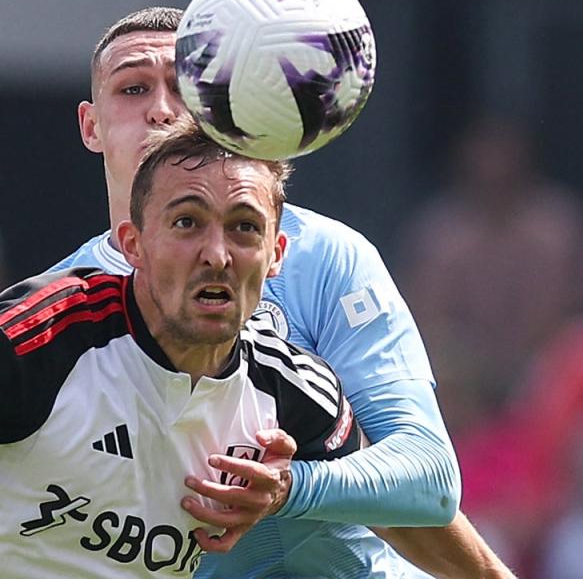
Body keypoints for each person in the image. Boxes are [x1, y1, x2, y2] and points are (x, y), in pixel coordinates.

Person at [52, 6, 514, 578]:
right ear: (91, 125)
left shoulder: (326, 255)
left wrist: (291, 488)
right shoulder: (56, 314)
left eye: (184, 84)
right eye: (133, 88)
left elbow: (426, 479)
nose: (163, 109)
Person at [1, 121, 363, 577]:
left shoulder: (295, 393)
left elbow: (409, 511)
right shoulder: (41, 338)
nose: (216, 254)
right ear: (134, 244)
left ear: (276, 254)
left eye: (245, 227)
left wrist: (290, 487)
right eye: (187, 222)